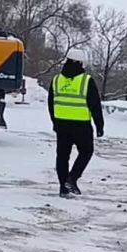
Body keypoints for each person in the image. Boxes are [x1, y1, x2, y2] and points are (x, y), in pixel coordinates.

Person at [47, 48, 104, 197]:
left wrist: (54, 122)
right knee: (86, 152)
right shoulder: (86, 81)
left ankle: (63, 188)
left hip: (61, 125)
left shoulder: (56, 80)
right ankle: (72, 179)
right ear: (81, 63)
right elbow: (95, 105)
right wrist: (99, 125)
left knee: (62, 156)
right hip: (81, 126)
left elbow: (51, 103)